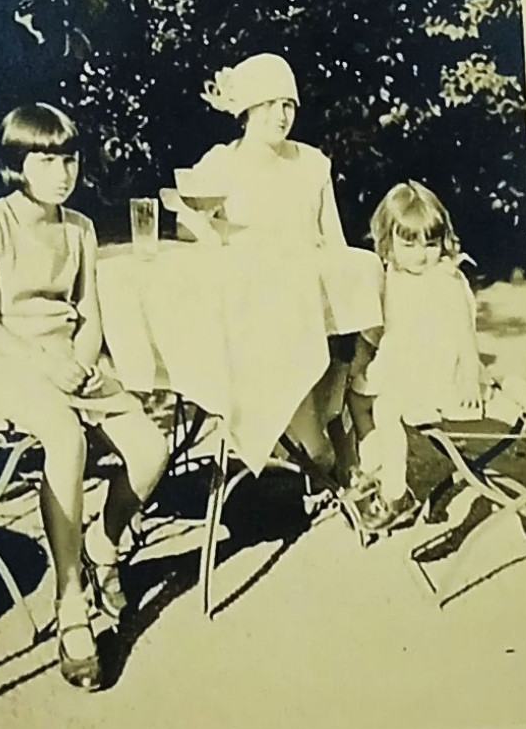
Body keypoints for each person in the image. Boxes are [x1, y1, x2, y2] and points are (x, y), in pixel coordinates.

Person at [0, 103, 169, 689]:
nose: (63, 172)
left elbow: (91, 315)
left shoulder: (80, 228)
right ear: (17, 164)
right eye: (47, 160)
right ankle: (72, 602)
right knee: (65, 439)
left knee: (150, 448)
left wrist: (85, 361)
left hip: (66, 358)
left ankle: (105, 545)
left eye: (69, 159)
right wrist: (47, 364)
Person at [161, 52, 382, 480]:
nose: (281, 115)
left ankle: (331, 445)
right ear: (246, 109)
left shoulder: (312, 162)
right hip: (245, 308)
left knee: (348, 320)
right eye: (269, 104)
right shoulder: (222, 162)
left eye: (288, 105)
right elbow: (188, 228)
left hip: (305, 300)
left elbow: (333, 240)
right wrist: (209, 227)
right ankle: (309, 448)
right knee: (274, 351)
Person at [346, 180, 483, 532]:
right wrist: (365, 360)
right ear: (388, 242)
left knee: (385, 408)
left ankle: (396, 495)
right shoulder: (392, 273)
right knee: (356, 398)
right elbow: (380, 328)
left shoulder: (444, 280)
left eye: (431, 244)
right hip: (402, 361)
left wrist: (470, 378)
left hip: (437, 368)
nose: (422, 254)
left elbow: (465, 336)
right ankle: (376, 464)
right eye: (409, 243)